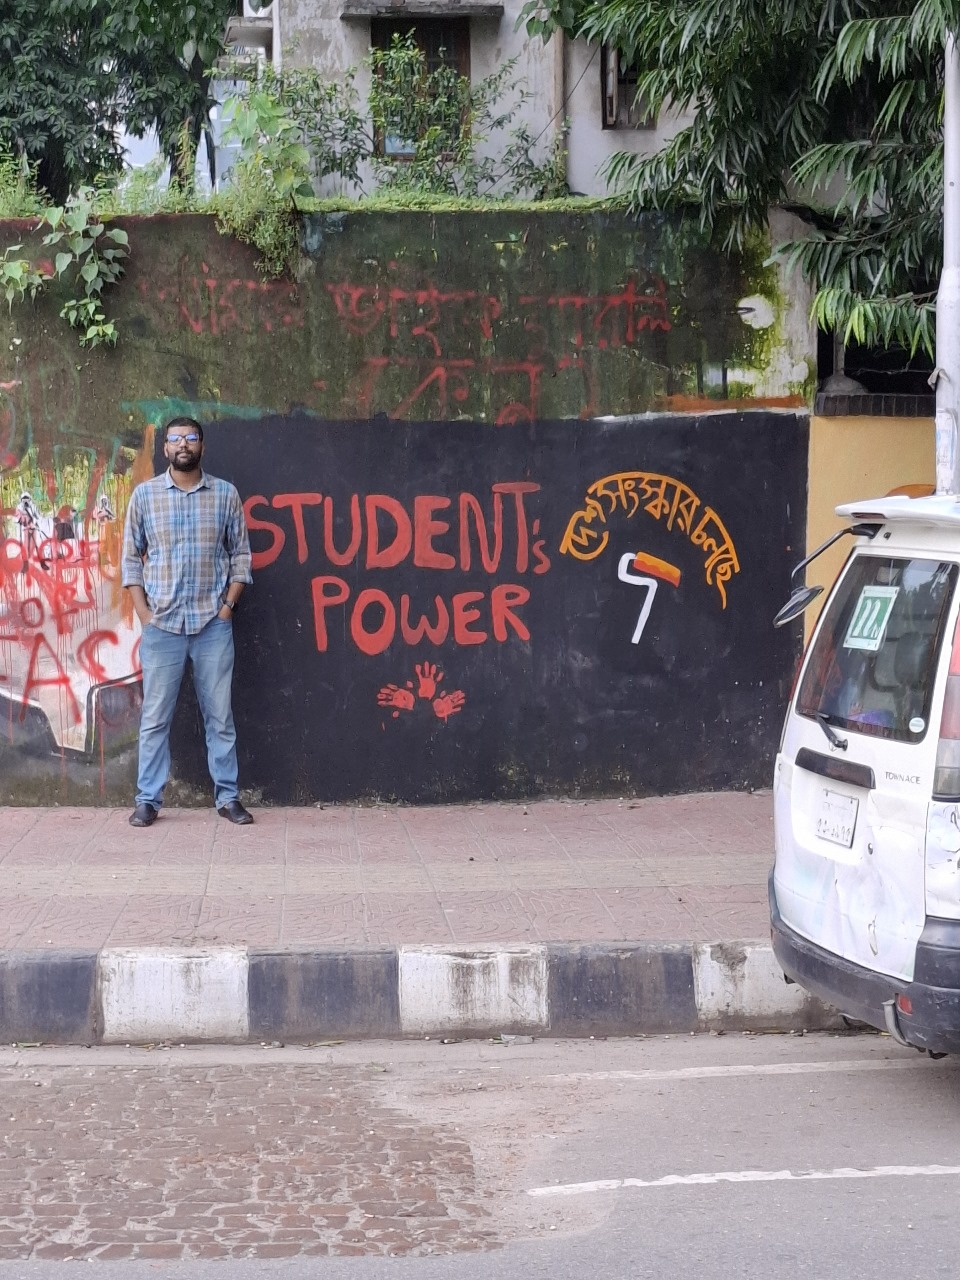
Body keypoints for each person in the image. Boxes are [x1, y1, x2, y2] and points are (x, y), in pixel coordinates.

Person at [122, 416, 254, 827]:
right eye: (175, 439)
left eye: (190, 438)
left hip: (212, 624)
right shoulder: (144, 497)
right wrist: (145, 615)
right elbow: (130, 561)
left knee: (220, 716)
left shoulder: (225, 494)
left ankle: (228, 797)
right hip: (162, 627)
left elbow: (241, 557)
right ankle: (147, 800)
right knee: (155, 718)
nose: (183, 445)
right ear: (165, 449)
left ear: (202, 445)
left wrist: (228, 606)